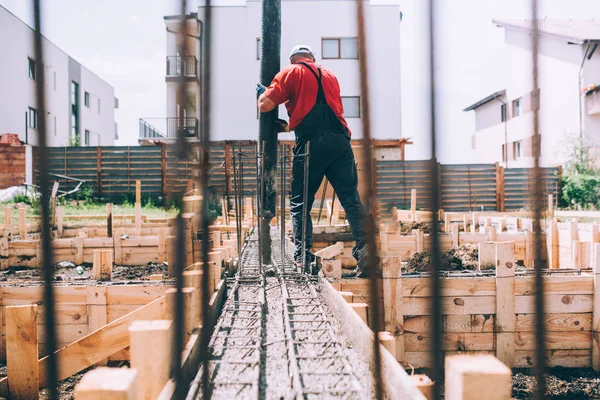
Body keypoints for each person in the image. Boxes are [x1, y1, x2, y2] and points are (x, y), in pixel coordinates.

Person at [256, 44, 376, 277]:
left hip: (310, 144)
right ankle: (366, 249)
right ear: (312, 58)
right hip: (340, 143)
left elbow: (266, 104)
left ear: (293, 59)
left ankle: (303, 257)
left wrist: (262, 92)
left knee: (301, 202)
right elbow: (322, 111)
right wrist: (291, 124)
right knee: (351, 200)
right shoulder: (330, 76)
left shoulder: (291, 72)